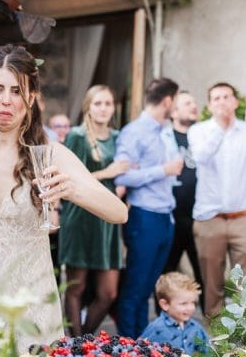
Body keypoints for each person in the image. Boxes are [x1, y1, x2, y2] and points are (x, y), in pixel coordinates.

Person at [0, 45, 128, 354]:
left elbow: (119, 213)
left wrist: (72, 191)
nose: (6, 100)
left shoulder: (50, 154)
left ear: (32, 98)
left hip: (29, 302)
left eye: (17, 91)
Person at [188, 83, 246, 317]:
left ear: (235, 102)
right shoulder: (199, 130)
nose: (221, 102)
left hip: (243, 218)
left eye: (226, 97)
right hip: (210, 220)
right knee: (212, 284)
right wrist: (221, 127)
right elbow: (201, 156)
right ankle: (215, 336)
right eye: (216, 98)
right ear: (209, 105)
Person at [112, 77, 183, 338]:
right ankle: (129, 345)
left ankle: (142, 344)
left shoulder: (164, 130)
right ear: (167, 101)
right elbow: (122, 176)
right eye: (175, 100)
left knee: (146, 289)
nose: (175, 105)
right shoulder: (134, 132)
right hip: (144, 218)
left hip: (166, 217)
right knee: (135, 289)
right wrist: (161, 170)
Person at [59, 85, 130, 336]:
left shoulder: (118, 136)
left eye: (108, 104)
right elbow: (70, 178)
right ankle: (76, 343)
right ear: (88, 106)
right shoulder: (77, 136)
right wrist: (108, 173)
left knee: (108, 292)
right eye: (98, 103)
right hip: (81, 215)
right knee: (76, 286)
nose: (103, 108)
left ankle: (86, 337)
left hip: (107, 219)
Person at [161, 91, 204, 309]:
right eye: (188, 103)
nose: (194, 106)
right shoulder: (164, 137)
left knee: (203, 273)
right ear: (174, 111)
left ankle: (210, 327)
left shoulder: (203, 135)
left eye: (194, 102)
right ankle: (164, 327)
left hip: (199, 216)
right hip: (173, 215)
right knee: (166, 272)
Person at [139, 272, 209, 356]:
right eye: (184, 303)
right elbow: (139, 351)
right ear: (165, 304)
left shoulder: (196, 328)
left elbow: (208, 352)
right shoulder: (156, 328)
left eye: (193, 302)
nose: (191, 308)